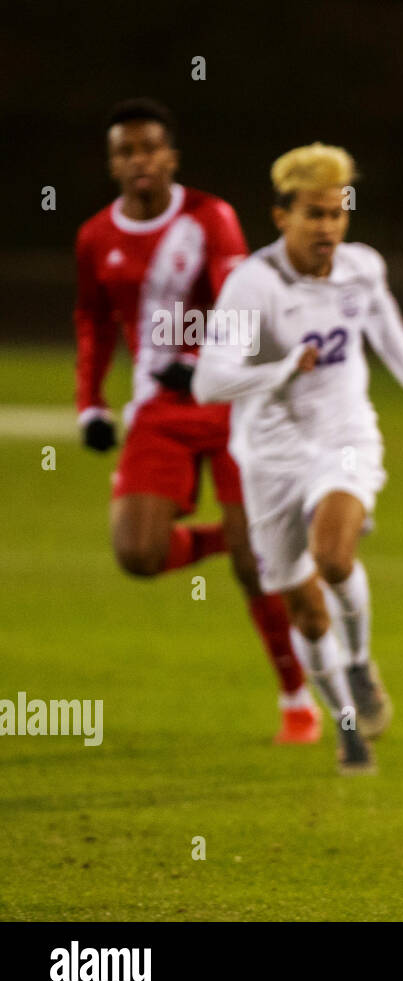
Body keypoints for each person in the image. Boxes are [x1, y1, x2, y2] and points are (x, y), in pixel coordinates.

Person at [193, 143, 403, 774]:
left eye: (338, 215)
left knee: (334, 556)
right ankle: (345, 723)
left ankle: (362, 664)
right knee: (304, 610)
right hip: (269, 458)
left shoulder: (361, 268)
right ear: (280, 216)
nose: (329, 229)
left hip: (345, 439)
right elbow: (210, 382)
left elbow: (385, 329)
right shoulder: (252, 285)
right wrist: (281, 368)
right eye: (314, 215)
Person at [74, 98, 319, 745]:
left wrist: (210, 362)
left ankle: (297, 699)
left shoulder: (210, 218)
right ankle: (227, 538)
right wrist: (90, 405)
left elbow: (239, 300)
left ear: (170, 156)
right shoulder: (96, 237)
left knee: (257, 569)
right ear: (113, 164)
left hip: (233, 403)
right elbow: (94, 324)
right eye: (127, 151)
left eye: (150, 147)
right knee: (137, 554)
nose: (140, 160)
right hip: (158, 410)